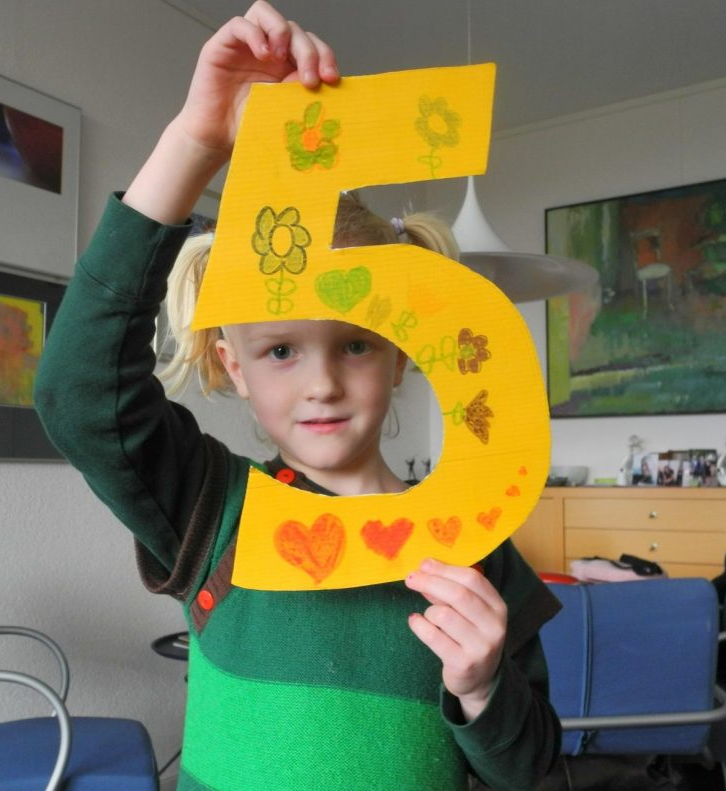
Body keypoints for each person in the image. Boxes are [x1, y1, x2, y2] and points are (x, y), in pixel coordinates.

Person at [33, 4, 561, 790]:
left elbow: (540, 775)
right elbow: (76, 391)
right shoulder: (212, 508)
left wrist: (483, 690)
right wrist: (196, 142)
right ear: (232, 364)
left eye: (356, 342)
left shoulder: (474, 547)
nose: (321, 382)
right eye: (280, 350)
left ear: (402, 353)